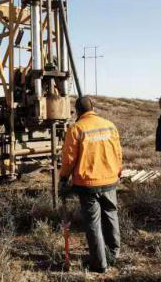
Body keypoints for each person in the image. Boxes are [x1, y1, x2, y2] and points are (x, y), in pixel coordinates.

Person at [60, 97, 123, 274]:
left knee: (93, 223)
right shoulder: (110, 125)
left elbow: (69, 159)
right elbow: (118, 152)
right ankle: (113, 255)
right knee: (111, 216)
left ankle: (99, 263)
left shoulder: (76, 128)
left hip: (88, 184)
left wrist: (64, 178)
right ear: (93, 108)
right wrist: (118, 170)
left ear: (78, 111)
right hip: (110, 180)